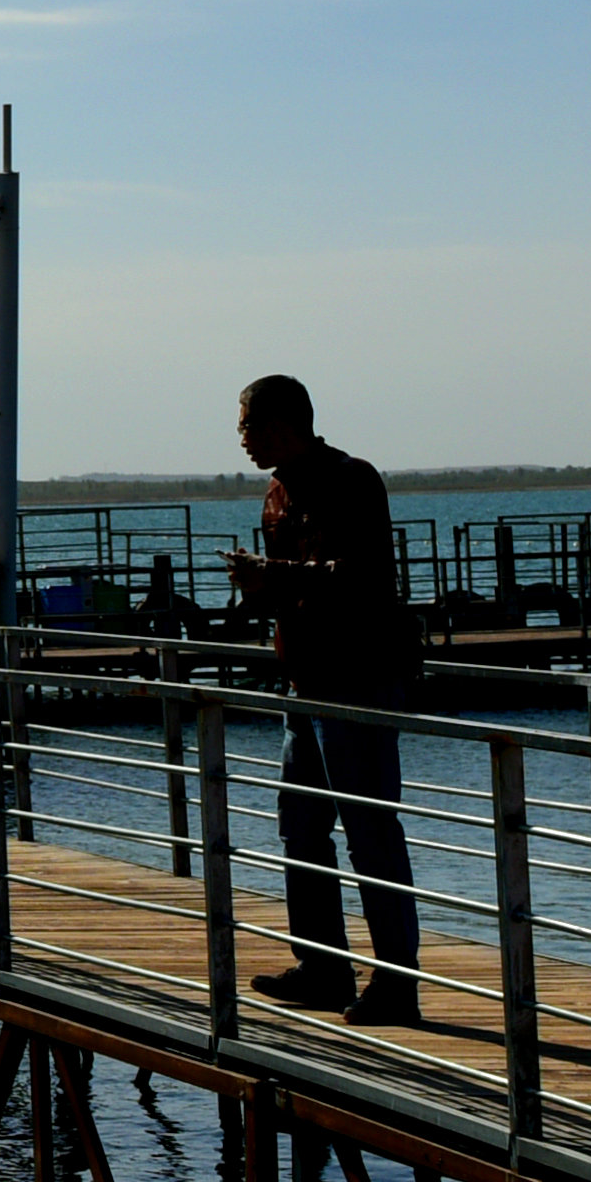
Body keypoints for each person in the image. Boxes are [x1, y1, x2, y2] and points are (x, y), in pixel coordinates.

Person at [229, 372, 426, 1024]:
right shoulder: (276, 496)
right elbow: (302, 588)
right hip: (305, 684)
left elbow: (362, 574)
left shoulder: (352, 479)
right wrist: (262, 589)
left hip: (360, 679)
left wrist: (273, 576)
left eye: (248, 425)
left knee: (371, 830)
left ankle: (395, 983)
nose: (242, 439)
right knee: (302, 827)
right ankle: (323, 967)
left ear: (284, 424)